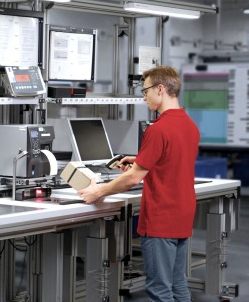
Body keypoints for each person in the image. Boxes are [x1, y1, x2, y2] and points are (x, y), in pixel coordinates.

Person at [77, 65, 200, 302]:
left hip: (161, 219)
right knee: (178, 285)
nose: (144, 97)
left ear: (160, 89)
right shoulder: (189, 125)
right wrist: (141, 160)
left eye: (145, 91)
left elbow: (133, 178)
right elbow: (171, 160)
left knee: (159, 290)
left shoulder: (158, 130)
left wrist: (98, 191)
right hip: (182, 215)